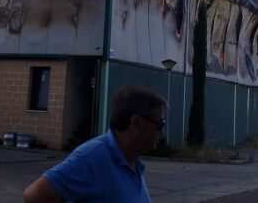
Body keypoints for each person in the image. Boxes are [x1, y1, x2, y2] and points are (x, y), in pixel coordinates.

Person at [23, 85, 166, 203]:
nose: (162, 133)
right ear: (136, 123)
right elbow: (34, 196)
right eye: (160, 124)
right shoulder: (93, 156)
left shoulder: (132, 162)